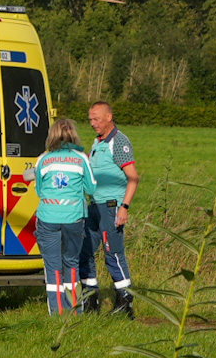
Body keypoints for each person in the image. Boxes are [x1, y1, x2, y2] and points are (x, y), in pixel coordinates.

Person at [28, 117, 94, 315]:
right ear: (73, 134)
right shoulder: (81, 158)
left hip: (48, 217)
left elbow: (39, 190)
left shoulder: (44, 158)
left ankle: (57, 313)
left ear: (52, 135)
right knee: (72, 263)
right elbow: (91, 187)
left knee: (53, 266)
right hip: (74, 217)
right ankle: (74, 311)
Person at [79, 100, 139, 318]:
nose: (92, 123)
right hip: (94, 206)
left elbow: (133, 177)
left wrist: (124, 207)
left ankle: (124, 303)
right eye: (90, 119)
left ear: (109, 117)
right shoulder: (97, 142)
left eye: (96, 119)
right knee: (84, 251)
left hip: (111, 206)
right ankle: (90, 301)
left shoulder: (118, 142)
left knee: (112, 253)